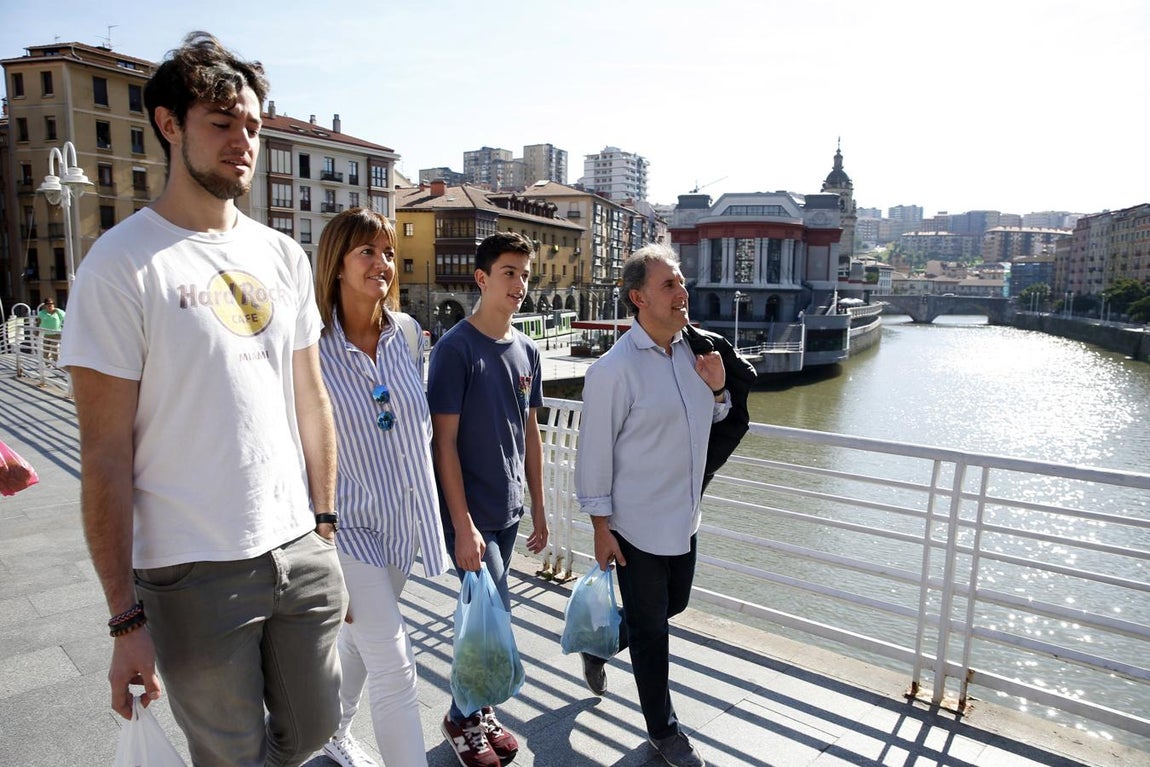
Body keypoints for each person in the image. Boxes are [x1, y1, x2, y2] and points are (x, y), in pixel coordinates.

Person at [59, 31, 346, 767]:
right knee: (228, 755)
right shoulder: (121, 265)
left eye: (251, 124)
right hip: (193, 569)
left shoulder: (281, 254)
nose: (242, 140)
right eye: (221, 122)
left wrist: (326, 527)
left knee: (314, 730)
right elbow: (104, 454)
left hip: (297, 547)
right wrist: (125, 619)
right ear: (169, 124)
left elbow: (312, 400)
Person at [574, 244, 729, 767]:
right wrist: (601, 526)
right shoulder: (613, 371)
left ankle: (601, 644)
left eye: (682, 282)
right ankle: (665, 733)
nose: (682, 293)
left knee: (672, 607)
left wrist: (721, 391)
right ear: (638, 298)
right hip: (635, 525)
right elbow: (593, 454)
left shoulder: (697, 352)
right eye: (669, 285)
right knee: (652, 631)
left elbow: (716, 421)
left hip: (684, 517)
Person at [315, 207, 450, 767]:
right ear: (337, 263)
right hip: (347, 527)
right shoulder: (310, 347)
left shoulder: (409, 335)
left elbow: (416, 426)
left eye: (389, 252)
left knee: (360, 642)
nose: (383, 264)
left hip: (402, 523)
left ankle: (330, 729)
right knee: (395, 662)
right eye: (367, 252)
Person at [427, 231, 549, 767]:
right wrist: (461, 525)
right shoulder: (455, 349)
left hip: (509, 510)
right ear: (482, 278)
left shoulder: (527, 350)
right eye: (508, 273)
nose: (519, 284)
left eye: (525, 274)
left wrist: (540, 510)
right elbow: (443, 443)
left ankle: (476, 711)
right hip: (470, 517)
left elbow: (531, 435)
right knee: (488, 616)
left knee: (488, 619)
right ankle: (461, 717)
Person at [36, 297, 65, 361]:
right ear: (45, 305)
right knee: (46, 350)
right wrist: (37, 331)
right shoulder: (41, 313)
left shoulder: (58, 312)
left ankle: (56, 364)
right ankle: (47, 364)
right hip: (45, 334)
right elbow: (38, 322)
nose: (50, 305)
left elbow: (66, 318)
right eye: (48, 303)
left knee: (55, 349)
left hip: (56, 334)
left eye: (52, 303)